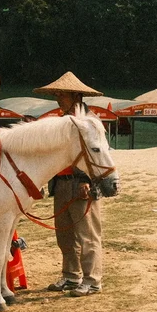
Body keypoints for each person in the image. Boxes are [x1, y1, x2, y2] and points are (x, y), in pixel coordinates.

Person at [36, 72, 106, 297]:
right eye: (57, 94)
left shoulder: (91, 122)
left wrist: (87, 180)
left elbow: (98, 156)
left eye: (61, 94)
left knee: (87, 234)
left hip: (81, 183)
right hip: (62, 183)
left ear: (75, 96)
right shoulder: (64, 120)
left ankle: (92, 280)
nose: (58, 98)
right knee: (65, 234)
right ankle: (71, 275)